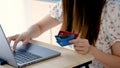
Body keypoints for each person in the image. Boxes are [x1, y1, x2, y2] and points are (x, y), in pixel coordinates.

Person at [8, 0, 120, 68]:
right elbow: (40, 26)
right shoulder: (67, 4)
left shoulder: (113, 10)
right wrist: (27, 33)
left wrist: (92, 51)